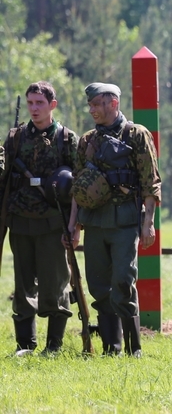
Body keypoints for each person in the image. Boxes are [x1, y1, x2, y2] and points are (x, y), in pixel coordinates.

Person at [69, 83, 161, 357]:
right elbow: (77, 186)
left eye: (97, 104)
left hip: (124, 222)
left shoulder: (136, 134)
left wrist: (149, 223)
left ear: (114, 103)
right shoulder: (87, 140)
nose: (92, 109)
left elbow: (150, 182)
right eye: (90, 105)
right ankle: (113, 348)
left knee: (123, 280)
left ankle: (134, 348)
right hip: (95, 222)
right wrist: (74, 225)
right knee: (98, 285)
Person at [0, 82, 77, 355]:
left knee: (55, 284)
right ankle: (25, 345)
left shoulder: (66, 138)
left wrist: (73, 225)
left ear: (52, 105)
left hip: (53, 223)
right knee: (22, 286)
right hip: (20, 220)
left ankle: (53, 346)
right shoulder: (16, 138)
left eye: (39, 103)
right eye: (30, 103)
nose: (34, 108)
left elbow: (77, 187)